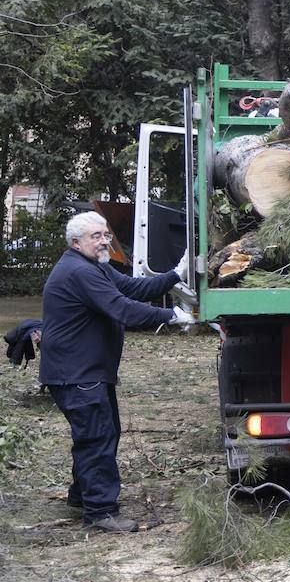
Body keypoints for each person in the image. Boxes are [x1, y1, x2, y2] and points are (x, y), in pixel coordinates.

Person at [40, 212, 193, 533]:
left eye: (105, 234)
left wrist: (174, 275)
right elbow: (121, 308)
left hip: (87, 372)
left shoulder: (94, 266)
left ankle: (81, 496)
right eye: (96, 236)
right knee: (96, 437)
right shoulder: (79, 272)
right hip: (77, 374)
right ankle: (101, 511)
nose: (104, 240)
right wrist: (170, 315)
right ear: (76, 242)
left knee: (100, 434)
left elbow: (133, 289)